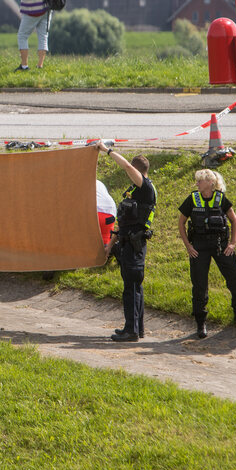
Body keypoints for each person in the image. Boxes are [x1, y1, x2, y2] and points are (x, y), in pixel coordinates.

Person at [95, 139, 156, 342]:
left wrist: (106, 150)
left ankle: (131, 331)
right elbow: (123, 223)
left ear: (137, 171)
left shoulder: (145, 187)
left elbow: (127, 166)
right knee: (133, 288)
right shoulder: (137, 190)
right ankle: (136, 329)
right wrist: (109, 246)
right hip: (127, 243)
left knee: (131, 289)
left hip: (135, 245)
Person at [177, 169, 236, 339]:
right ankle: (201, 323)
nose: (197, 184)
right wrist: (188, 246)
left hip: (220, 245)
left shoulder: (221, 198)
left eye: (200, 181)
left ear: (210, 182)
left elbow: (234, 220)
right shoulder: (192, 199)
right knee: (199, 285)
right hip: (199, 247)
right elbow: (181, 223)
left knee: (235, 278)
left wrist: (232, 243)